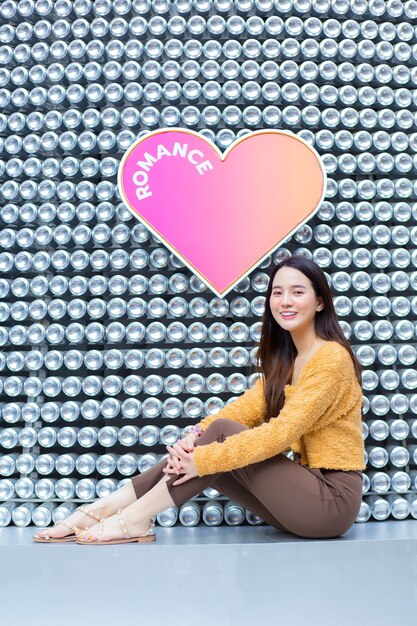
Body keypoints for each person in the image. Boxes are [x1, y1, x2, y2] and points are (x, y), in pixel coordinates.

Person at [33, 255, 365, 545]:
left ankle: (131, 517)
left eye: (297, 292)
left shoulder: (331, 359)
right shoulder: (290, 359)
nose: (285, 301)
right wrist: (192, 440)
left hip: (330, 503)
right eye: (277, 293)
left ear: (320, 301)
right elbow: (244, 409)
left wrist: (203, 458)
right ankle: (106, 509)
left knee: (218, 441)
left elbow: (281, 432)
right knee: (215, 435)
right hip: (301, 499)